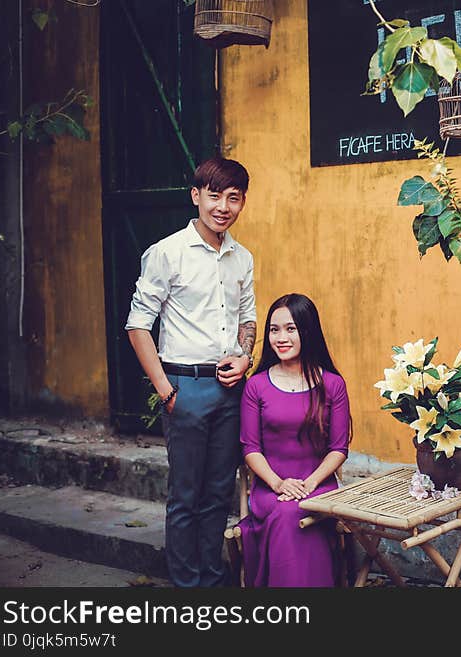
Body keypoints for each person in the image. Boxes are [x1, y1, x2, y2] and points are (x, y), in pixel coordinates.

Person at [124, 157, 256, 587]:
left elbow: (247, 319)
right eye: (214, 195)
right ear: (196, 196)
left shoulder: (242, 258)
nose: (223, 206)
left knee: (218, 494)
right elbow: (138, 325)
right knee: (186, 496)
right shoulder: (167, 253)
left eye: (233, 198)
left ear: (242, 203)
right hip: (184, 387)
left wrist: (245, 357)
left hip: (230, 388)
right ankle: (187, 587)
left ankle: (213, 581)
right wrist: (166, 391)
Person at [238, 293, 351, 587]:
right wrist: (278, 484)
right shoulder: (256, 385)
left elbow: (338, 449)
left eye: (291, 328)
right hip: (270, 488)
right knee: (287, 512)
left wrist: (310, 483)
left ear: (307, 330)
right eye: (274, 330)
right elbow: (251, 449)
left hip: (319, 485)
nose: (281, 337)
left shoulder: (333, 384)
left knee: (296, 511)